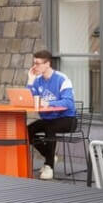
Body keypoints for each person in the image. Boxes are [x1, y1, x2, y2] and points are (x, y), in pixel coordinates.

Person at [26, 50, 77, 180]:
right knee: (26, 131)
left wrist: (48, 103)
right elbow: (28, 99)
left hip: (67, 119)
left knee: (50, 129)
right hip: (49, 119)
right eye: (34, 63)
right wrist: (30, 81)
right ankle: (49, 155)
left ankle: (49, 166)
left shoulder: (62, 79)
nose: (34, 67)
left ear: (47, 64)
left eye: (37, 64)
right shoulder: (37, 80)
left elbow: (68, 103)